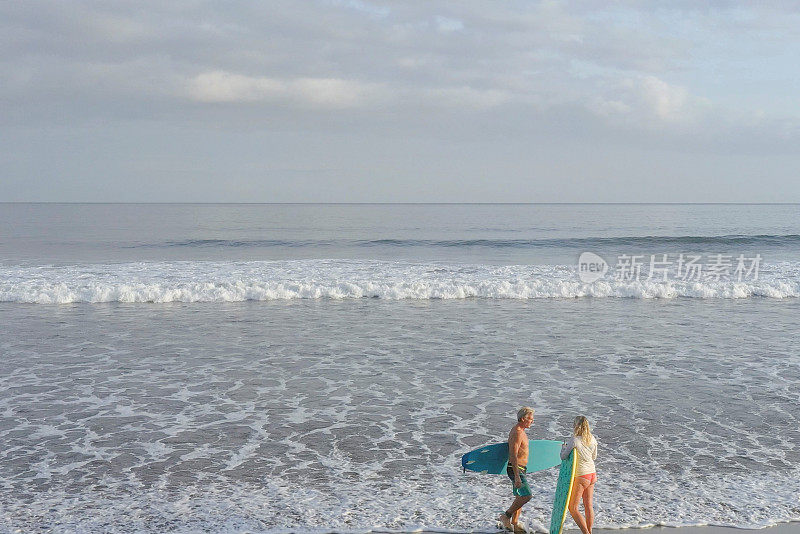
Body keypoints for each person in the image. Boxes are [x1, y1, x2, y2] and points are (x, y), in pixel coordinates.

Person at [498, 407, 535, 532]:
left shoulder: (522, 431)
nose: (532, 421)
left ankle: (514, 522)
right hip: (516, 468)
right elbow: (512, 454)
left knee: (519, 496)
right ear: (523, 419)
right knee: (527, 495)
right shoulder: (517, 432)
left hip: (521, 468)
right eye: (530, 419)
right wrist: (517, 476)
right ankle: (506, 516)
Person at [561, 415, 598, 534]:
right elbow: (594, 457)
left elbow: (563, 456)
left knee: (573, 508)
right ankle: (590, 531)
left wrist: (563, 448)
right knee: (588, 506)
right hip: (592, 474)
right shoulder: (592, 439)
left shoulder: (575, 440)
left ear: (576, 426)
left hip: (581, 476)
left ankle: (586, 533)